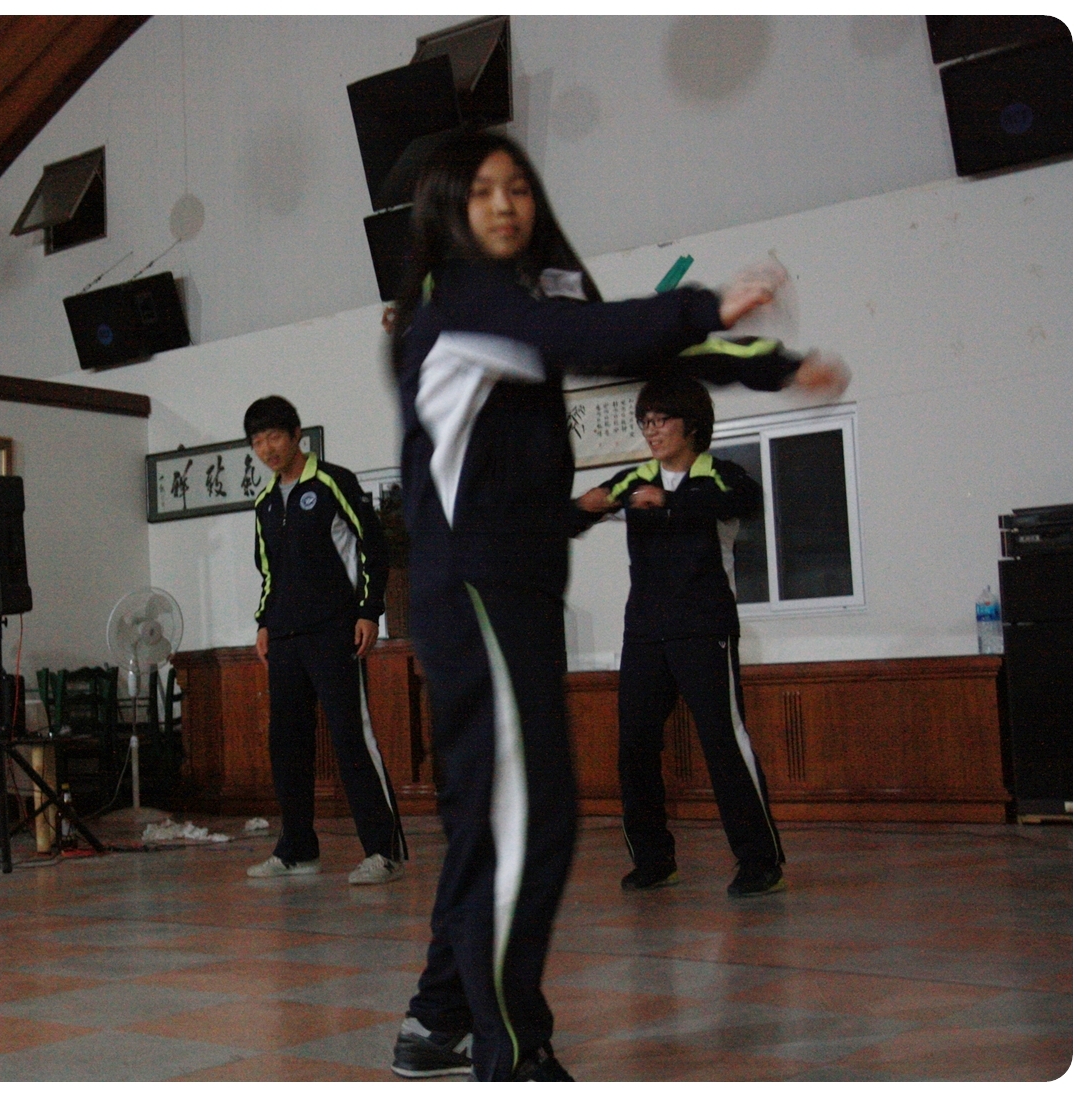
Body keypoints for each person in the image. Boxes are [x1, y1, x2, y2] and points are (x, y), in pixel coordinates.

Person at [386, 129, 847, 1081]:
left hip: (512, 585)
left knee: (490, 816)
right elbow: (598, 337)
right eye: (482, 191)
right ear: (445, 210)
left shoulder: (520, 303)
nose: (506, 204)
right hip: (472, 588)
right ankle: (513, 1053)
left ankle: (438, 1017)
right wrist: (708, 303)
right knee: (534, 815)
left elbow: (619, 339)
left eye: (519, 187)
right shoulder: (456, 303)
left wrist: (766, 362)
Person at [576, 377, 785, 898]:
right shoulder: (636, 478)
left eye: (661, 420)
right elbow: (581, 514)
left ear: (690, 425)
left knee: (723, 740)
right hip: (645, 632)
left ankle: (760, 862)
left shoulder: (719, 475)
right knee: (635, 744)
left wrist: (667, 502)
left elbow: (748, 501)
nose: (651, 431)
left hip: (704, 627)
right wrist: (582, 508)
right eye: (644, 422)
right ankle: (653, 860)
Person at [242, 395, 408, 885]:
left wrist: (368, 610)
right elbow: (268, 572)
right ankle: (297, 849)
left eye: (274, 436)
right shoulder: (264, 502)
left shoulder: (334, 481)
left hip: (335, 630)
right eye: (257, 442)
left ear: (296, 435)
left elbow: (373, 547)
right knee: (287, 744)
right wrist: (264, 622)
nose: (267, 449)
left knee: (351, 737)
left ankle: (383, 850)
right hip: (284, 638)